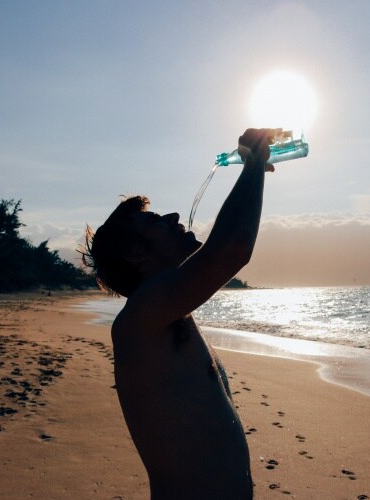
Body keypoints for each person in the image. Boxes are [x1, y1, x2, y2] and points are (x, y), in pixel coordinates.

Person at [82, 129, 277, 499]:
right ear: (136, 254)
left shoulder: (169, 314)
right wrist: (251, 163)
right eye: (154, 220)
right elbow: (232, 248)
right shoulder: (140, 318)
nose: (173, 215)